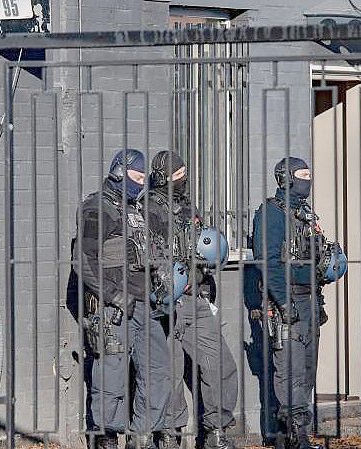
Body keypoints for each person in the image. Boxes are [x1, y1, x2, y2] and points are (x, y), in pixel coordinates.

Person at [74, 149, 178, 449]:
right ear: (119, 172)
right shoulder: (98, 208)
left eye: (145, 178)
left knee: (157, 372)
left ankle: (143, 436)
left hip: (148, 306)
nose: (141, 183)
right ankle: (106, 437)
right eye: (136, 177)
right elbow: (83, 261)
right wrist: (115, 296)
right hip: (114, 309)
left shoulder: (138, 210)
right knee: (111, 376)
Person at [144, 150, 239, 449]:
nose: (182, 180)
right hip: (166, 304)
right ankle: (169, 437)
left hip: (197, 299)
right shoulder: (147, 208)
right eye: (176, 177)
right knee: (169, 374)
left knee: (220, 365)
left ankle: (215, 433)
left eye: (184, 175)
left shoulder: (187, 206)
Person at [252, 157, 344, 449]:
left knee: (307, 369)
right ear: (287, 178)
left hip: (310, 301)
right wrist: (282, 302)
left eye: (309, 174)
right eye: (303, 174)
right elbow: (268, 263)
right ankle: (294, 435)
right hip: (286, 301)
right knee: (289, 369)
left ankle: (295, 432)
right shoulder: (271, 213)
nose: (308, 179)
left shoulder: (305, 213)